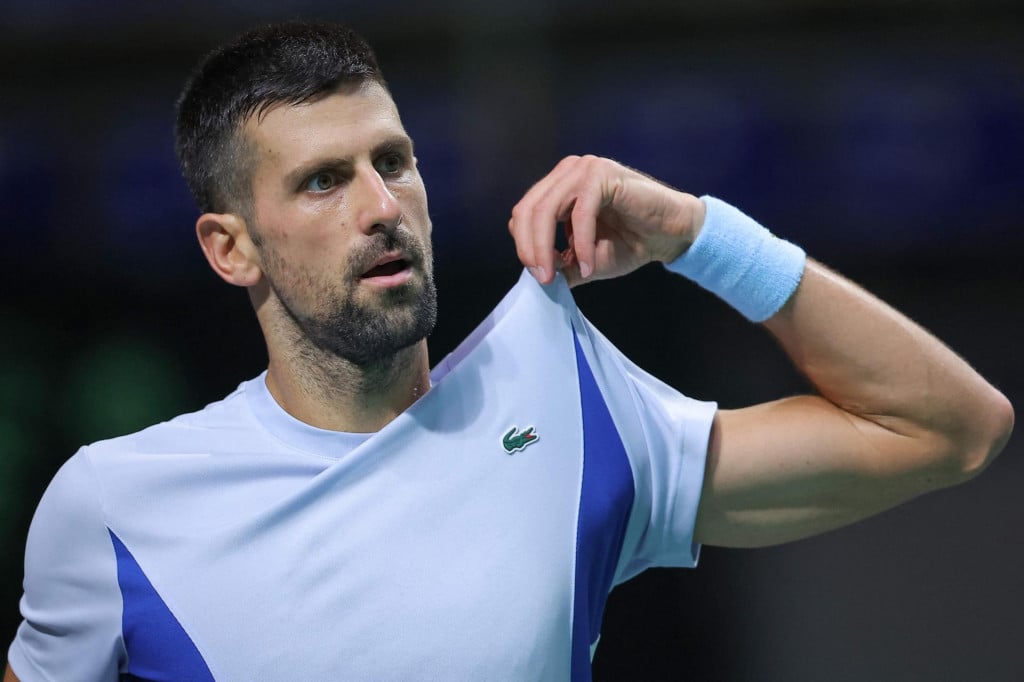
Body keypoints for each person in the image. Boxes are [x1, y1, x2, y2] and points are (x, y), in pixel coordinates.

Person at [5, 20, 1013, 682]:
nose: (381, 206)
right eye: (322, 181)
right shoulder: (113, 506)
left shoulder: (566, 395)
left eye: (393, 161)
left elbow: (949, 428)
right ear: (231, 249)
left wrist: (698, 233)